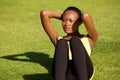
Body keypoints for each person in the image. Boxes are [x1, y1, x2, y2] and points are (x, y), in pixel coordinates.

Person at [40, 6, 98, 80]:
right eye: (64, 21)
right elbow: (44, 13)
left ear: (79, 22)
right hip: (65, 75)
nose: (66, 24)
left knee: (75, 41)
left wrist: (74, 18)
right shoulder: (59, 40)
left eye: (71, 21)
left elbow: (85, 16)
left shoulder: (90, 39)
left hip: (84, 73)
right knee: (61, 42)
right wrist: (65, 17)